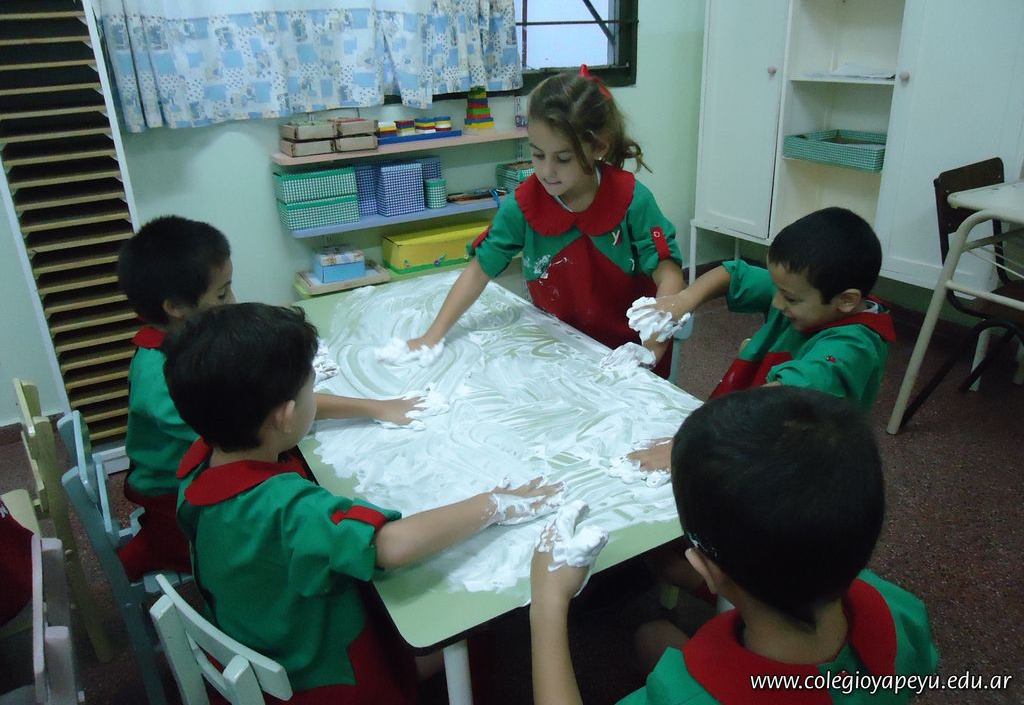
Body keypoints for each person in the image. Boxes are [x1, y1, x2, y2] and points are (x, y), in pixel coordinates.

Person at [166, 303, 561, 703]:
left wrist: (379, 407)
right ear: (285, 416)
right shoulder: (286, 509)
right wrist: (493, 503)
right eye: (310, 388)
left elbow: (296, 410)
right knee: (467, 631)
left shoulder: (201, 460)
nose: (315, 396)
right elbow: (390, 546)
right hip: (318, 671)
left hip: (257, 626)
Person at [530, 387, 939, 704]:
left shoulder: (686, 697)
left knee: (649, 637)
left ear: (705, 567)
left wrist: (548, 604)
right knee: (653, 636)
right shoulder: (899, 608)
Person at [116, 215, 424, 580]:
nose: (233, 301)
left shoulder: (186, 349)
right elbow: (381, 546)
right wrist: (374, 407)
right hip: (171, 503)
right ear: (176, 307)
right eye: (221, 294)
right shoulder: (167, 376)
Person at [408, 66, 686, 377]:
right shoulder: (524, 205)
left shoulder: (631, 200)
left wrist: (650, 349)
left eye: (563, 158)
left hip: (629, 349)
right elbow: (478, 271)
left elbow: (670, 277)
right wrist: (432, 337)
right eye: (538, 155)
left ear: (598, 147)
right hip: (561, 347)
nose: (546, 171)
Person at [629, 207, 895, 472]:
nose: (777, 302)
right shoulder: (805, 291)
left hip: (801, 460)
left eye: (789, 298)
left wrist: (690, 445)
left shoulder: (854, 347)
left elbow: (780, 397)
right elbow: (733, 274)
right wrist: (684, 300)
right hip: (749, 427)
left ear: (846, 300)